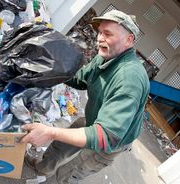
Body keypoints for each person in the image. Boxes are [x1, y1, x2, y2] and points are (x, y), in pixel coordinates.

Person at [21, 9, 150, 184]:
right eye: (99, 32)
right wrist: (50, 67)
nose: (99, 38)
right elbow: (80, 80)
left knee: (69, 173)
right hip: (95, 119)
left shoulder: (129, 78)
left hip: (110, 140)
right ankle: (43, 166)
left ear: (128, 40)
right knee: (62, 144)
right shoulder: (105, 57)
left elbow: (105, 135)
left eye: (107, 34)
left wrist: (49, 131)